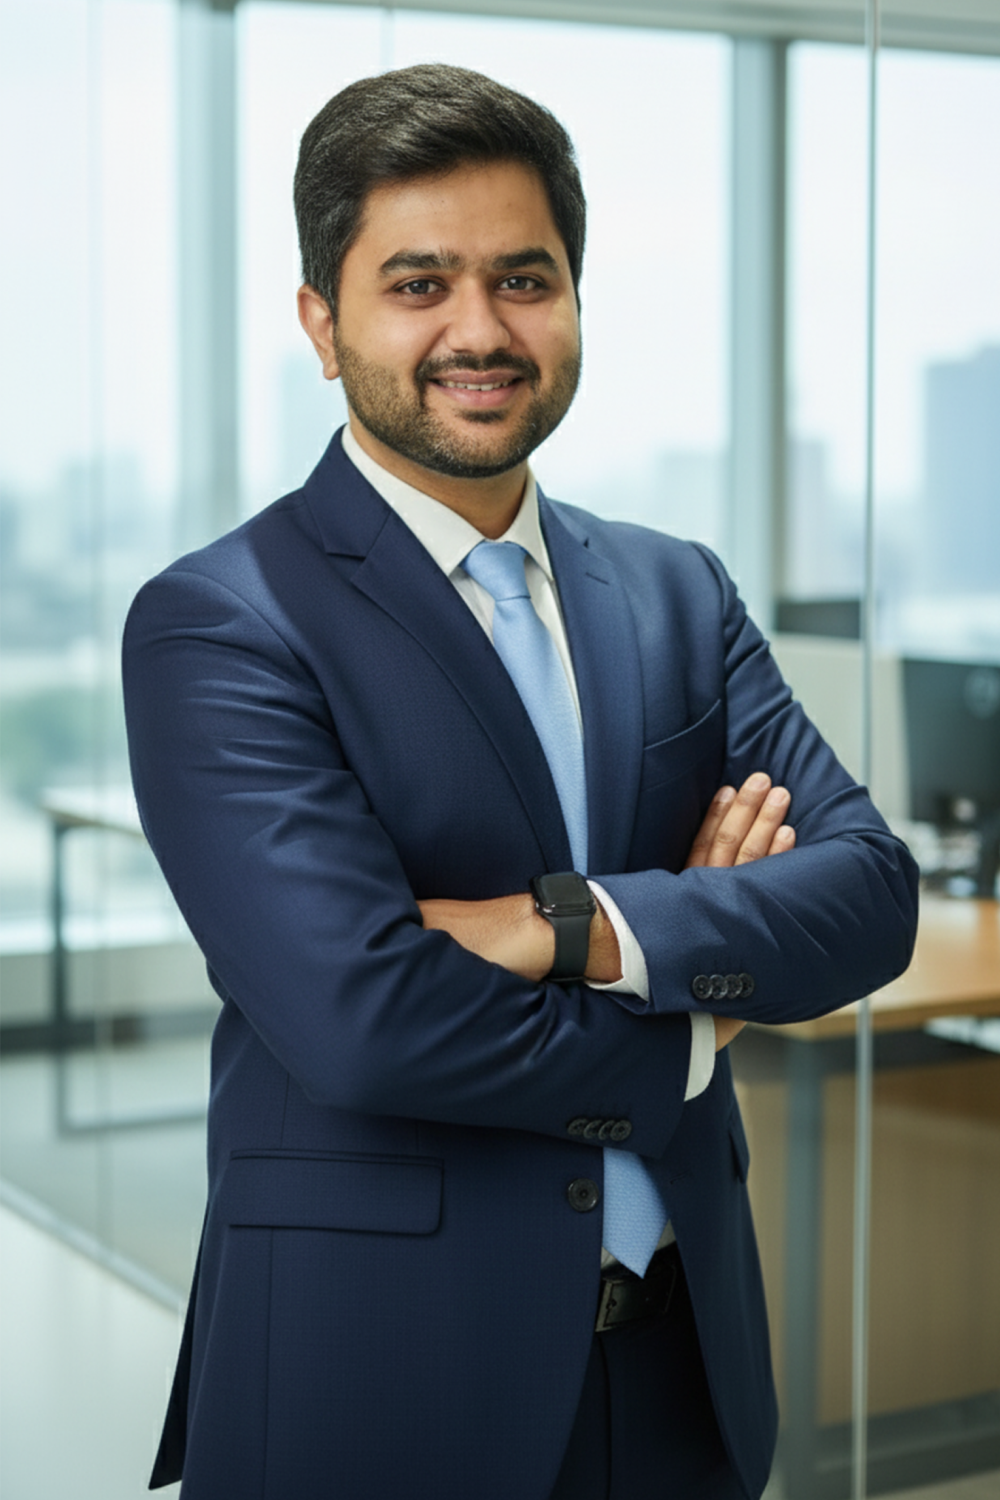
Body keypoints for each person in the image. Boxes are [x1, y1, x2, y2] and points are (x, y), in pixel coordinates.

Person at [123, 63, 918, 1500]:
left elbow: (869, 897)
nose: (479, 331)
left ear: (573, 302)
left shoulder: (677, 593)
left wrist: (576, 929)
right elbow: (364, 1019)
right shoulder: (223, 621)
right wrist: (693, 1021)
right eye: (417, 283)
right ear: (323, 321)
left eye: (524, 279)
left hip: (680, 1363)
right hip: (379, 1372)